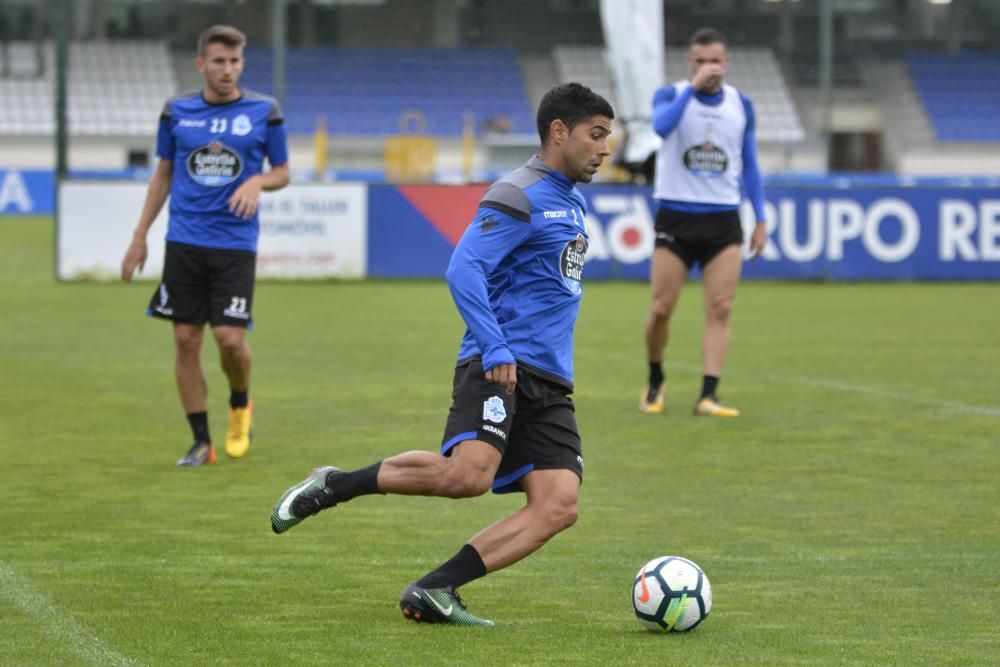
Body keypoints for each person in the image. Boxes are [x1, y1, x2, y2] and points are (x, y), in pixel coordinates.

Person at [270, 83, 614, 627]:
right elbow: (463, 268)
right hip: (500, 364)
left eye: (608, 137)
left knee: (559, 505)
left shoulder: (569, 200)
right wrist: (498, 345)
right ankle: (336, 483)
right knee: (468, 477)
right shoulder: (518, 193)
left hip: (551, 379)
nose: (605, 148)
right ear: (559, 131)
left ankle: (436, 588)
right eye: (596, 135)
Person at [121, 25, 290, 466]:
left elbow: (283, 171)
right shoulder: (176, 111)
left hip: (235, 243)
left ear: (242, 64)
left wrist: (257, 179)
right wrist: (139, 237)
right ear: (201, 64)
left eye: (234, 61)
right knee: (185, 339)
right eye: (218, 61)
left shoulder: (263, 111)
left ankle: (240, 403)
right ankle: (201, 442)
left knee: (231, 341)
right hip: (184, 241)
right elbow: (162, 175)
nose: (227, 70)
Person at [639, 28, 767, 418]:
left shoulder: (741, 104)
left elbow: (750, 164)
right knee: (662, 308)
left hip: (723, 219)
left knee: (721, 308)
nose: (708, 68)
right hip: (676, 216)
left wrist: (760, 216)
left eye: (714, 61)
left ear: (726, 63)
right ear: (689, 63)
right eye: (700, 61)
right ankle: (656, 379)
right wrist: (692, 88)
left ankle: (708, 395)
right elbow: (659, 129)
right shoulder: (671, 95)